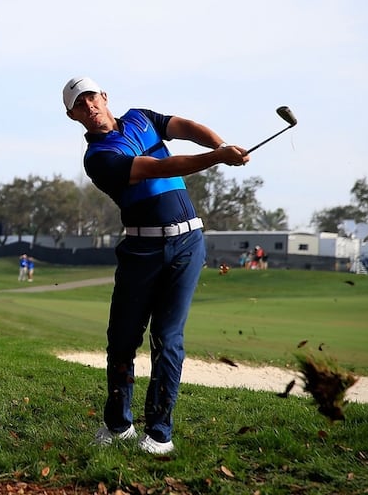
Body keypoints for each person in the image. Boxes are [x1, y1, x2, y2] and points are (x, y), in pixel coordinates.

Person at [62, 76, 249, 455]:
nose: (90, 107)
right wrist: (216, 159)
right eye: (80, 104)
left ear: (104, 96)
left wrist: (220, 144)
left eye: (92, 97)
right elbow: (156, 168)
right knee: (123, 338)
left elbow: (183, 127)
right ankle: (118, 426)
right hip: (142, 248)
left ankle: (159, 433)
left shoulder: (141, 118)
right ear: (73, 115)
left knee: (168, 338)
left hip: (188, 243)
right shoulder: (97, 158)